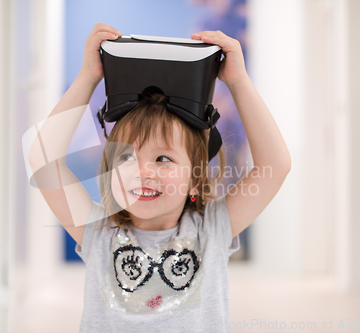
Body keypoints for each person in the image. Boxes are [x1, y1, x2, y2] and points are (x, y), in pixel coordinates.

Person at [27, 22, 291, 333]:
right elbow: (42, 161)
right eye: (126, 157)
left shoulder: (212, 229)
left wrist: (238, 82)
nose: (142, 171)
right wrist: (89, 76)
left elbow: (275, 164)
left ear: (195, 176)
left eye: (163, 158)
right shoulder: (98, 232)